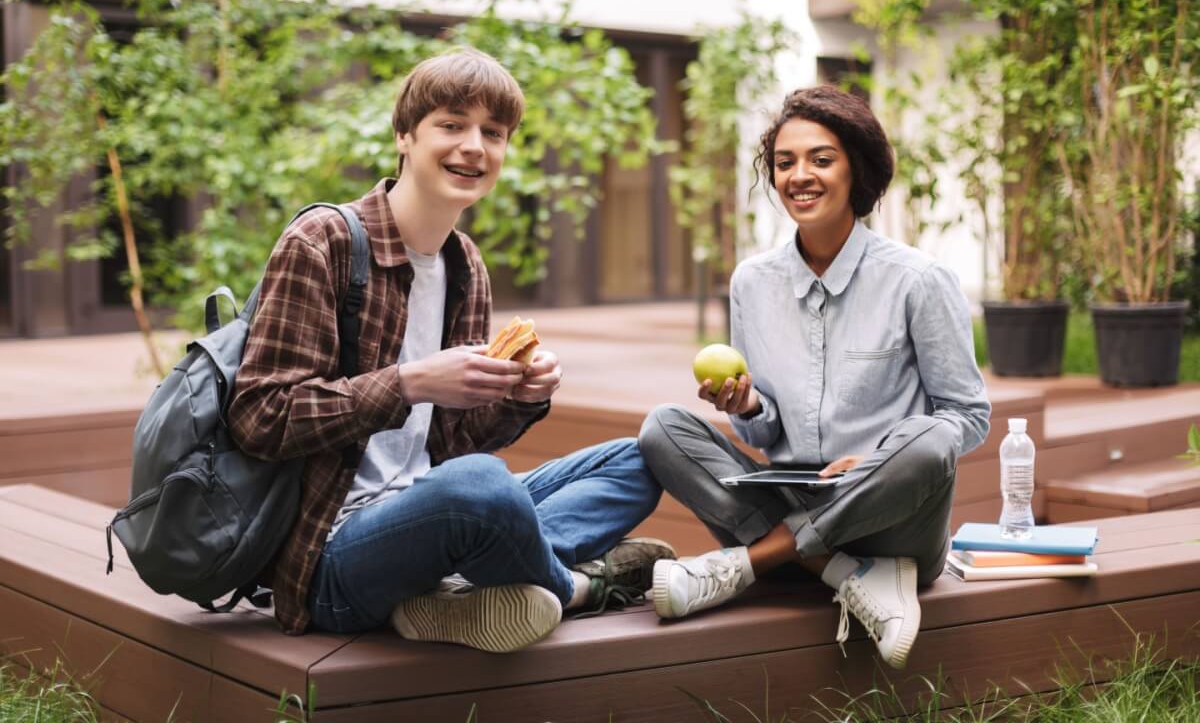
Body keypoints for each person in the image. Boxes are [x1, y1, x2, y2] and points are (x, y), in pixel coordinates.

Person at [229, 48, 672, 651]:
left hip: (430, 509)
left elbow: (456, 443)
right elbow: (260, 417)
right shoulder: (322, 242)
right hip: (331, 558)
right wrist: (410, 383)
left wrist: (519, 397)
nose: (474, 147)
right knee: (481, 489)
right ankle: (575, 588)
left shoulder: (464, 265)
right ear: (404, 135)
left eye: (494, 132)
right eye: (451, 124)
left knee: (639, 458)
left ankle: (458, 588)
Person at [639, 86, 990, 669]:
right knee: (662, 429)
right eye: (785, 162)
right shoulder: (752, 283)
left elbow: (968, 418)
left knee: (930, 437)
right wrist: (748, 406)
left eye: (821, 159)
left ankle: (750, 564)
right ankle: (836, 569)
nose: (800, 175)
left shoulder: (919, 280)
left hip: (895, 527)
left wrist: (875, 461)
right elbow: (760, 437)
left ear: (857, 168)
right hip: (790, 497)